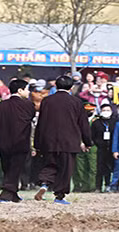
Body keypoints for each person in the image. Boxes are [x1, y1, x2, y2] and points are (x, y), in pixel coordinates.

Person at [33, 76, 94, 205]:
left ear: (56, 85)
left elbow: (41, 122)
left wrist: (37, 143)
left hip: (49, 140)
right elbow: (83, 124)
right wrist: (87, 141)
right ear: (71, 87)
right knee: (65, 169)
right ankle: (59, 196)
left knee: (50, 164)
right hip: (69, 140)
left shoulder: (47, 101)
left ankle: (45, 183)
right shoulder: (76, 102)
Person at [0, 79, 35, 203]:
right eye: (27, 89)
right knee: (15, 168)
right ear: (20, 90)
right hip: (21, 142)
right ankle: (6, 194)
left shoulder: (0, 105)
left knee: (8, 167)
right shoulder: (28, 105)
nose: (29, 92)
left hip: (3, 142)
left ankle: (13, 193)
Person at [92, 103, 114, 192]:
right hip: (100, 148)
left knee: (109, 167)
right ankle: (98, 186)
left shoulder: (114, 122)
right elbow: (92, 135)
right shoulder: (96, 122)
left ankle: (108, 185)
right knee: (100, 167)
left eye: (108, 110)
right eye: (104, 110)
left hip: (111, 148)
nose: (106, 112)